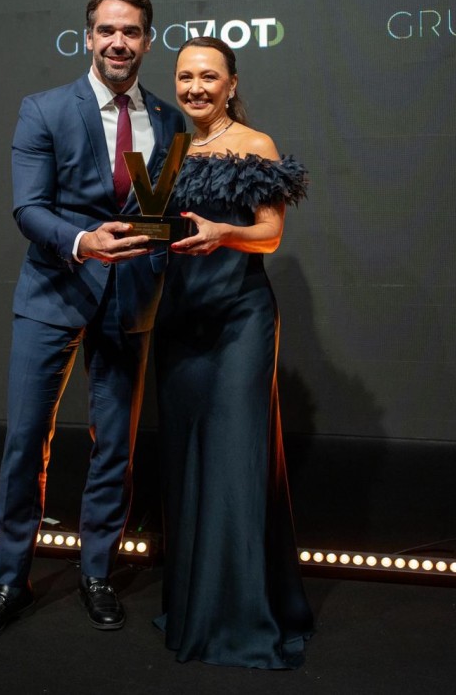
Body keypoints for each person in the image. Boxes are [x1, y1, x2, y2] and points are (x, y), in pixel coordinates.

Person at [0, 0, 185, 641]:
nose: (119, 42)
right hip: (54, 292)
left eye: (132, 31)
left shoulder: (168, 122)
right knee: (27, 439)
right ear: (88, 37)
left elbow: (158, 211)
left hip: (132, 300)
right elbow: (29, 209)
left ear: (147, 38)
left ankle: (95, 573)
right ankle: (10, 579)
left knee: (113, 445)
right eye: (107, 30)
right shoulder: (44, 109)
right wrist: (83, 241)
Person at [153, 36, 313, 669]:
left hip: (240, 319)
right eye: (186, 76)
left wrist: (224, 233)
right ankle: (198, 606)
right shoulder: (168, 150)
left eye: (209, 76)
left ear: (231, 82)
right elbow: (159, 228)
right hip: (180, 319)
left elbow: (271, 235)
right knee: (188, 461)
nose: (195, 87)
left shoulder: (255, 145)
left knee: (233, 460)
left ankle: (241, 617)